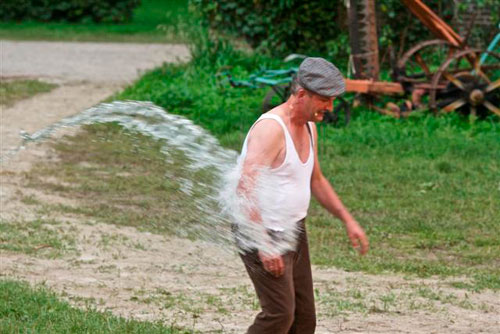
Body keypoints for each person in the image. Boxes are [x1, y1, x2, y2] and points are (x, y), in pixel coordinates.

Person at [236, 57, 369, 334]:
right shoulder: (271, 130)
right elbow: (245, 188)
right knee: (279, 315)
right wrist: (263, 242)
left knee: (304, 320)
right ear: (301, 95)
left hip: (293, 229)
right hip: (261, 230)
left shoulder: (310, 126)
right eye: (325, 101)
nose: (330, 108)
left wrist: (348, 220)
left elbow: (316, 179)